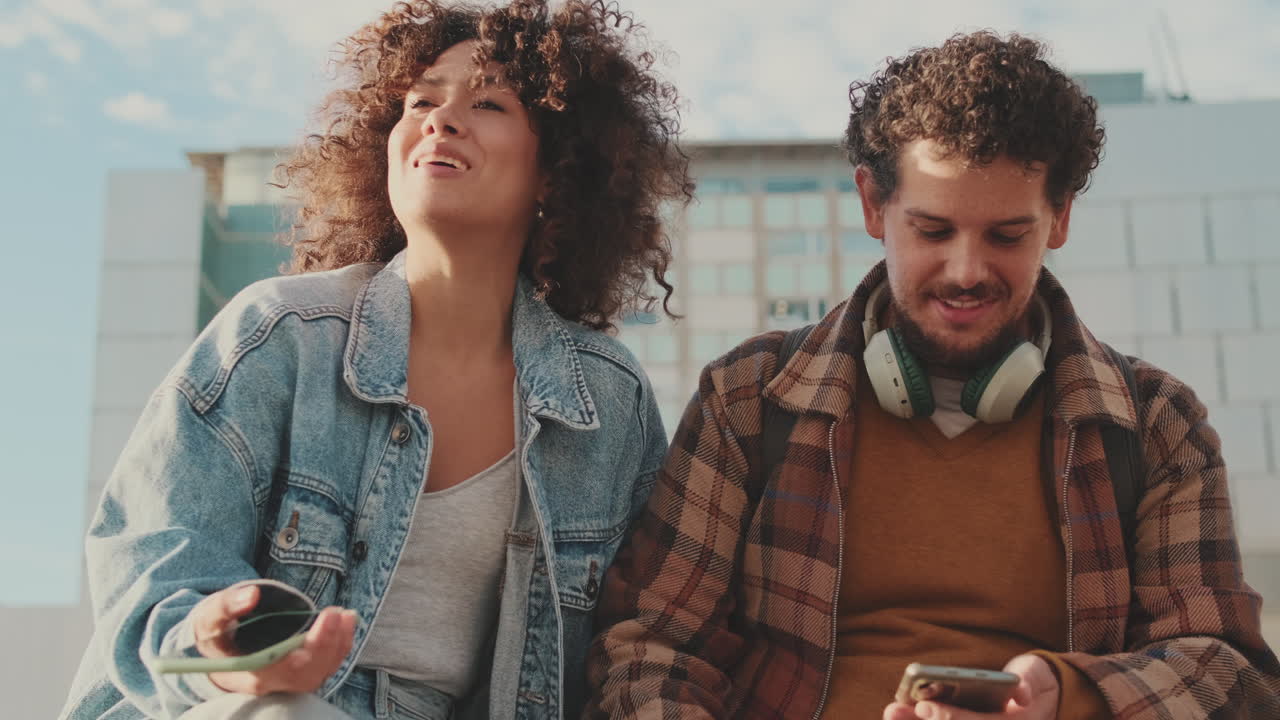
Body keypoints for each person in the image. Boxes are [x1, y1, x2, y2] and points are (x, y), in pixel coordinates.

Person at [586, 31, 1280, 720]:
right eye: (933, 230)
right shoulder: (746, 399)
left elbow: (1229, 669)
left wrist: (1073, 698)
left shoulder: (1156, 425)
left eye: (1007, 235)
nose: (967, 271)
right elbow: (652, 650)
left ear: (1060, 218)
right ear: (871, 205)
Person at [60, 1, 690, 718]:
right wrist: (221, 649)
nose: (440, 119)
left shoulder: (608, 402)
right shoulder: (278, 336)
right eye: (421, 100)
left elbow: (638, 639)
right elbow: (154, 574)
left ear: (557, 168)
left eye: (485, 103)